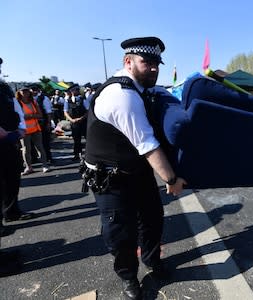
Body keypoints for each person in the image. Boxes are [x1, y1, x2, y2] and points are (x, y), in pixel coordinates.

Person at [84, 37, 186, 299]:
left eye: (156, 63)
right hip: (110, 180)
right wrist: (171, 178)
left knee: (152, 219)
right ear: (128, 62)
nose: (153, 68)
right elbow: (148, 145)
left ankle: (153, 261)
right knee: (120, 233)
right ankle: (129, 277)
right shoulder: (123, 96)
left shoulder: (140, 90)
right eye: (146, 62)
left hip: (136, 172)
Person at [1, 57, 35, 243]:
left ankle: (12, 212)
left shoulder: (5, 88)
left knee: (13, 176)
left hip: (10, 138)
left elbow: (16, 109)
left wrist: (21, 127)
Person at [16, 88, 50, 174]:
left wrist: (29, 116)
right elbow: (19, 116)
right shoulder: (18, 103)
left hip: (35, 129)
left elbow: (40, 115)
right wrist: (31, 116)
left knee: (40, 147)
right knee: (26, 149)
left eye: (27, 91)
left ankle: (45, 165)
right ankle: (28, 167)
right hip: (24, 130)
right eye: (23, 91)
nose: (25, 93)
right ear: (19, 93)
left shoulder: (33, 102)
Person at [30, 84, 53, 163]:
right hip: (31, 124)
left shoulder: (43, 98)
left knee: (45, 141)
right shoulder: (27, 99)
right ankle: (34, 159)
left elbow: (48, 112)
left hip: (42, 123)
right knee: (31, 143)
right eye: (32, 89)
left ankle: (48, 158)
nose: (34, 91)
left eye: (35, 89)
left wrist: (49, 123)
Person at [64, 84, 88, 160]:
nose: (74, 92)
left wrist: (81, 118)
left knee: (87, 138)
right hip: (74, 122)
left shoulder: (82, 99)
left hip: (83, 121)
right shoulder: (67, 100)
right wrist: (71, 120)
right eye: (73, 90)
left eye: (76, 90)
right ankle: (77, 154)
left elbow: (88, 110)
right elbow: (65, 112)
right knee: (76, 139)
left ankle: (89, 154)